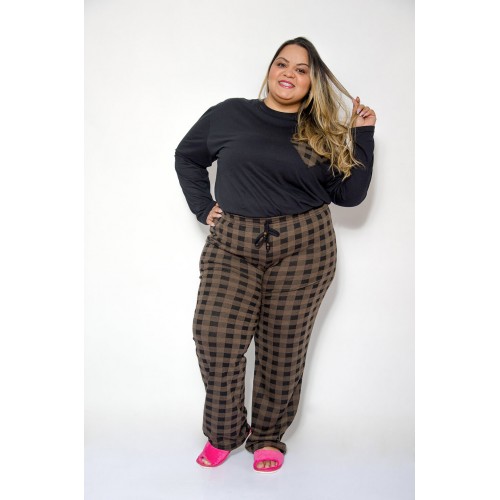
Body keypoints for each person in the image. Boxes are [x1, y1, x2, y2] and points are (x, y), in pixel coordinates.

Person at [174, 36, 376, 473]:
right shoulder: (230, 115)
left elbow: (349, 196)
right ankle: (225, 431)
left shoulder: (315, 132)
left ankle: (267, 436)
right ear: (270, 69)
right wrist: (203, 206)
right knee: (215, 337)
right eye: (282, 64)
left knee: (283, 347)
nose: (289, 73)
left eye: (301, 69)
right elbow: (188, 157)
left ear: (312, 82)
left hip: (305, 246)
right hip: (233, 243)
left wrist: (362, 135)